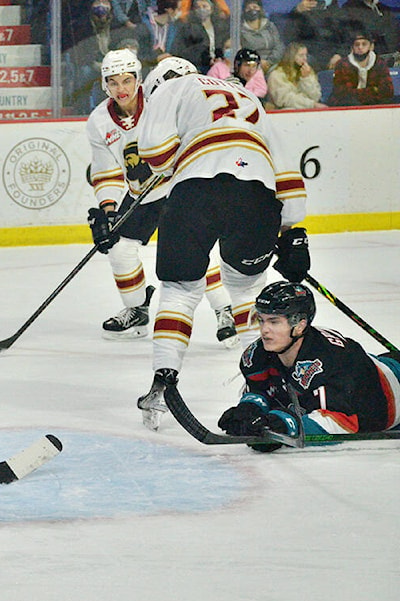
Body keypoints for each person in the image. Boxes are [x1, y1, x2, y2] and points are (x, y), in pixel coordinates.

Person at [133, 56, 309, 429]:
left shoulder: (171, 88)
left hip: (196, 190)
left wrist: (176, 157)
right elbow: (284, 162)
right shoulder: (247, 95)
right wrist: (292, 229)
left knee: (180, 290)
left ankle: (163, 383)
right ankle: (263, 386)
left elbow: (156, 155)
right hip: (257, 195)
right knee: (247, 289)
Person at [86, 49, 238, 345]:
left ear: (138, 79)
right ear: (105, 84)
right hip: (140, 193)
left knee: (192, 250)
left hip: (178, 188)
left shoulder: (160, 98)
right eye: (114, 82)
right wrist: (107, 211)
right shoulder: (98, 122)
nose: (122, 89)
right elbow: (105, 172)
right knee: (119, 250)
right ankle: (137, 309)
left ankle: (225, 310)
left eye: (127, 80)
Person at [218, 281, 400, 452]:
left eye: (274, 322)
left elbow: (341, 422)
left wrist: (283, 426)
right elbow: (262, 391)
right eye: (262, 320)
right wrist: (249, 409)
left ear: (299, 325)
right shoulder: (258, 354)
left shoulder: (332, 358)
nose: (264, 330)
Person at [328, 29, 394, 106]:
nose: (360, 47)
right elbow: (343, 93)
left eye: (364, 44)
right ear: (352, 47)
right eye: (357, 44)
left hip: (374, 104)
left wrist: (358, 92)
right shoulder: (342, 64)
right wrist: (374, 90)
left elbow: (388, 90)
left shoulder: (380, 63)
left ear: (371, 46)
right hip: (348, 107)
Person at [284, 0, 345, 71]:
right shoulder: (302, 9)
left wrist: (339, 55)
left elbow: (347, 39)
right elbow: (289, 36)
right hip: (311, 53)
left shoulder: (338, 12)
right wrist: (297, 12)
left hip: (333, 53)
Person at [171, 0, 230, 72]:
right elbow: (184, 52)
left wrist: (219, 58)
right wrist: (207, 60)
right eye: (198, 7)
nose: (201, 9)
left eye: (204, 6)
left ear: (212, 8)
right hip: (198, 68)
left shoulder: (219, 26)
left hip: (217, 67)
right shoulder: (188, 28)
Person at [267, 42, 328, 109]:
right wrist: (311, 104)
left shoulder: (308, 71)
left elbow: (316, 97)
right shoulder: (277, 74)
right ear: (291, 56)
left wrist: (306, 79)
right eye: (301, 55)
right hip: (285, 111)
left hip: (308, 109)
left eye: (306, 55)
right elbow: (285, 99)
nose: (305, 58)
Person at [239, 0, 286, 69]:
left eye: (255, 7)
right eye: (249, 8)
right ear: (244, 11)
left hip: (273, 64)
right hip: (251, 65)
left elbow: (279, 46)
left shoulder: (270, 26)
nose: (252, 10)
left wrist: (269, 62)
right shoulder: (240, 30)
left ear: (260, 9)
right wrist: (257, 62)